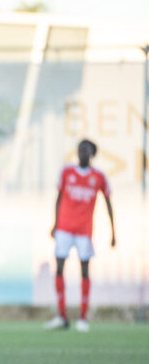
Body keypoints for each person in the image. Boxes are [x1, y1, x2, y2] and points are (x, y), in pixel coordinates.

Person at [43, 138, 116, 332]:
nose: (82, 153)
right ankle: (62, 316)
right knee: (59, 267)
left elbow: (108, 202)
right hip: (65, 229)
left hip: (84, 231)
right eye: (79, 150)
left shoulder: (98, 176)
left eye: (86, 150)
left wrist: (113, 231)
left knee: (84, 271)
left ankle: (83, 317)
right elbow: (58, 199)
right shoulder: (66, 172)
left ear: (91, 153)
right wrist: (55, 223)